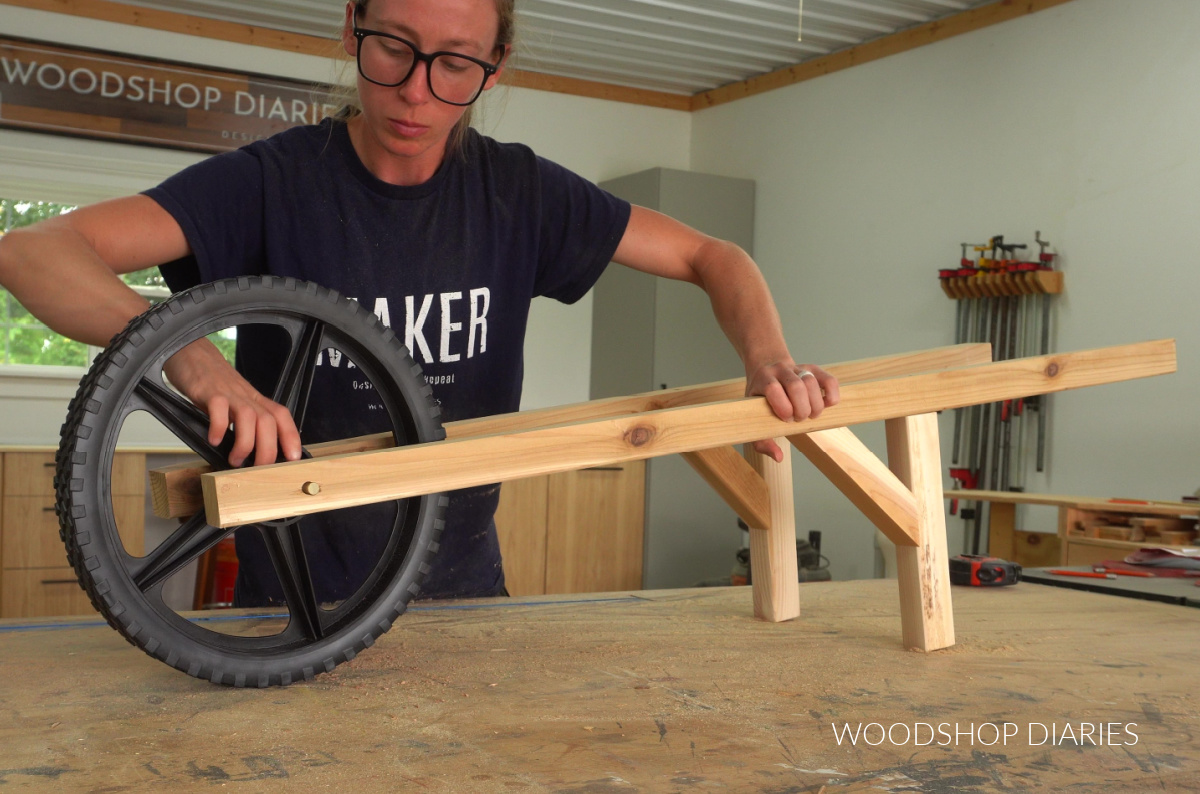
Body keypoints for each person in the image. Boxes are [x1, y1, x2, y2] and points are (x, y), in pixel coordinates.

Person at [0, 0, 839, 606]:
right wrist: (191, 354)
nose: (416, 91)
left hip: (463, 600)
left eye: (456, 63)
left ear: (495, 66)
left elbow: (711, 254)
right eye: (392, 49)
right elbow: (32, 252)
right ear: (352, 29)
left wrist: (769, 359)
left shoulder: (521, 195)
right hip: (285, 613)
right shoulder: (270, 184)